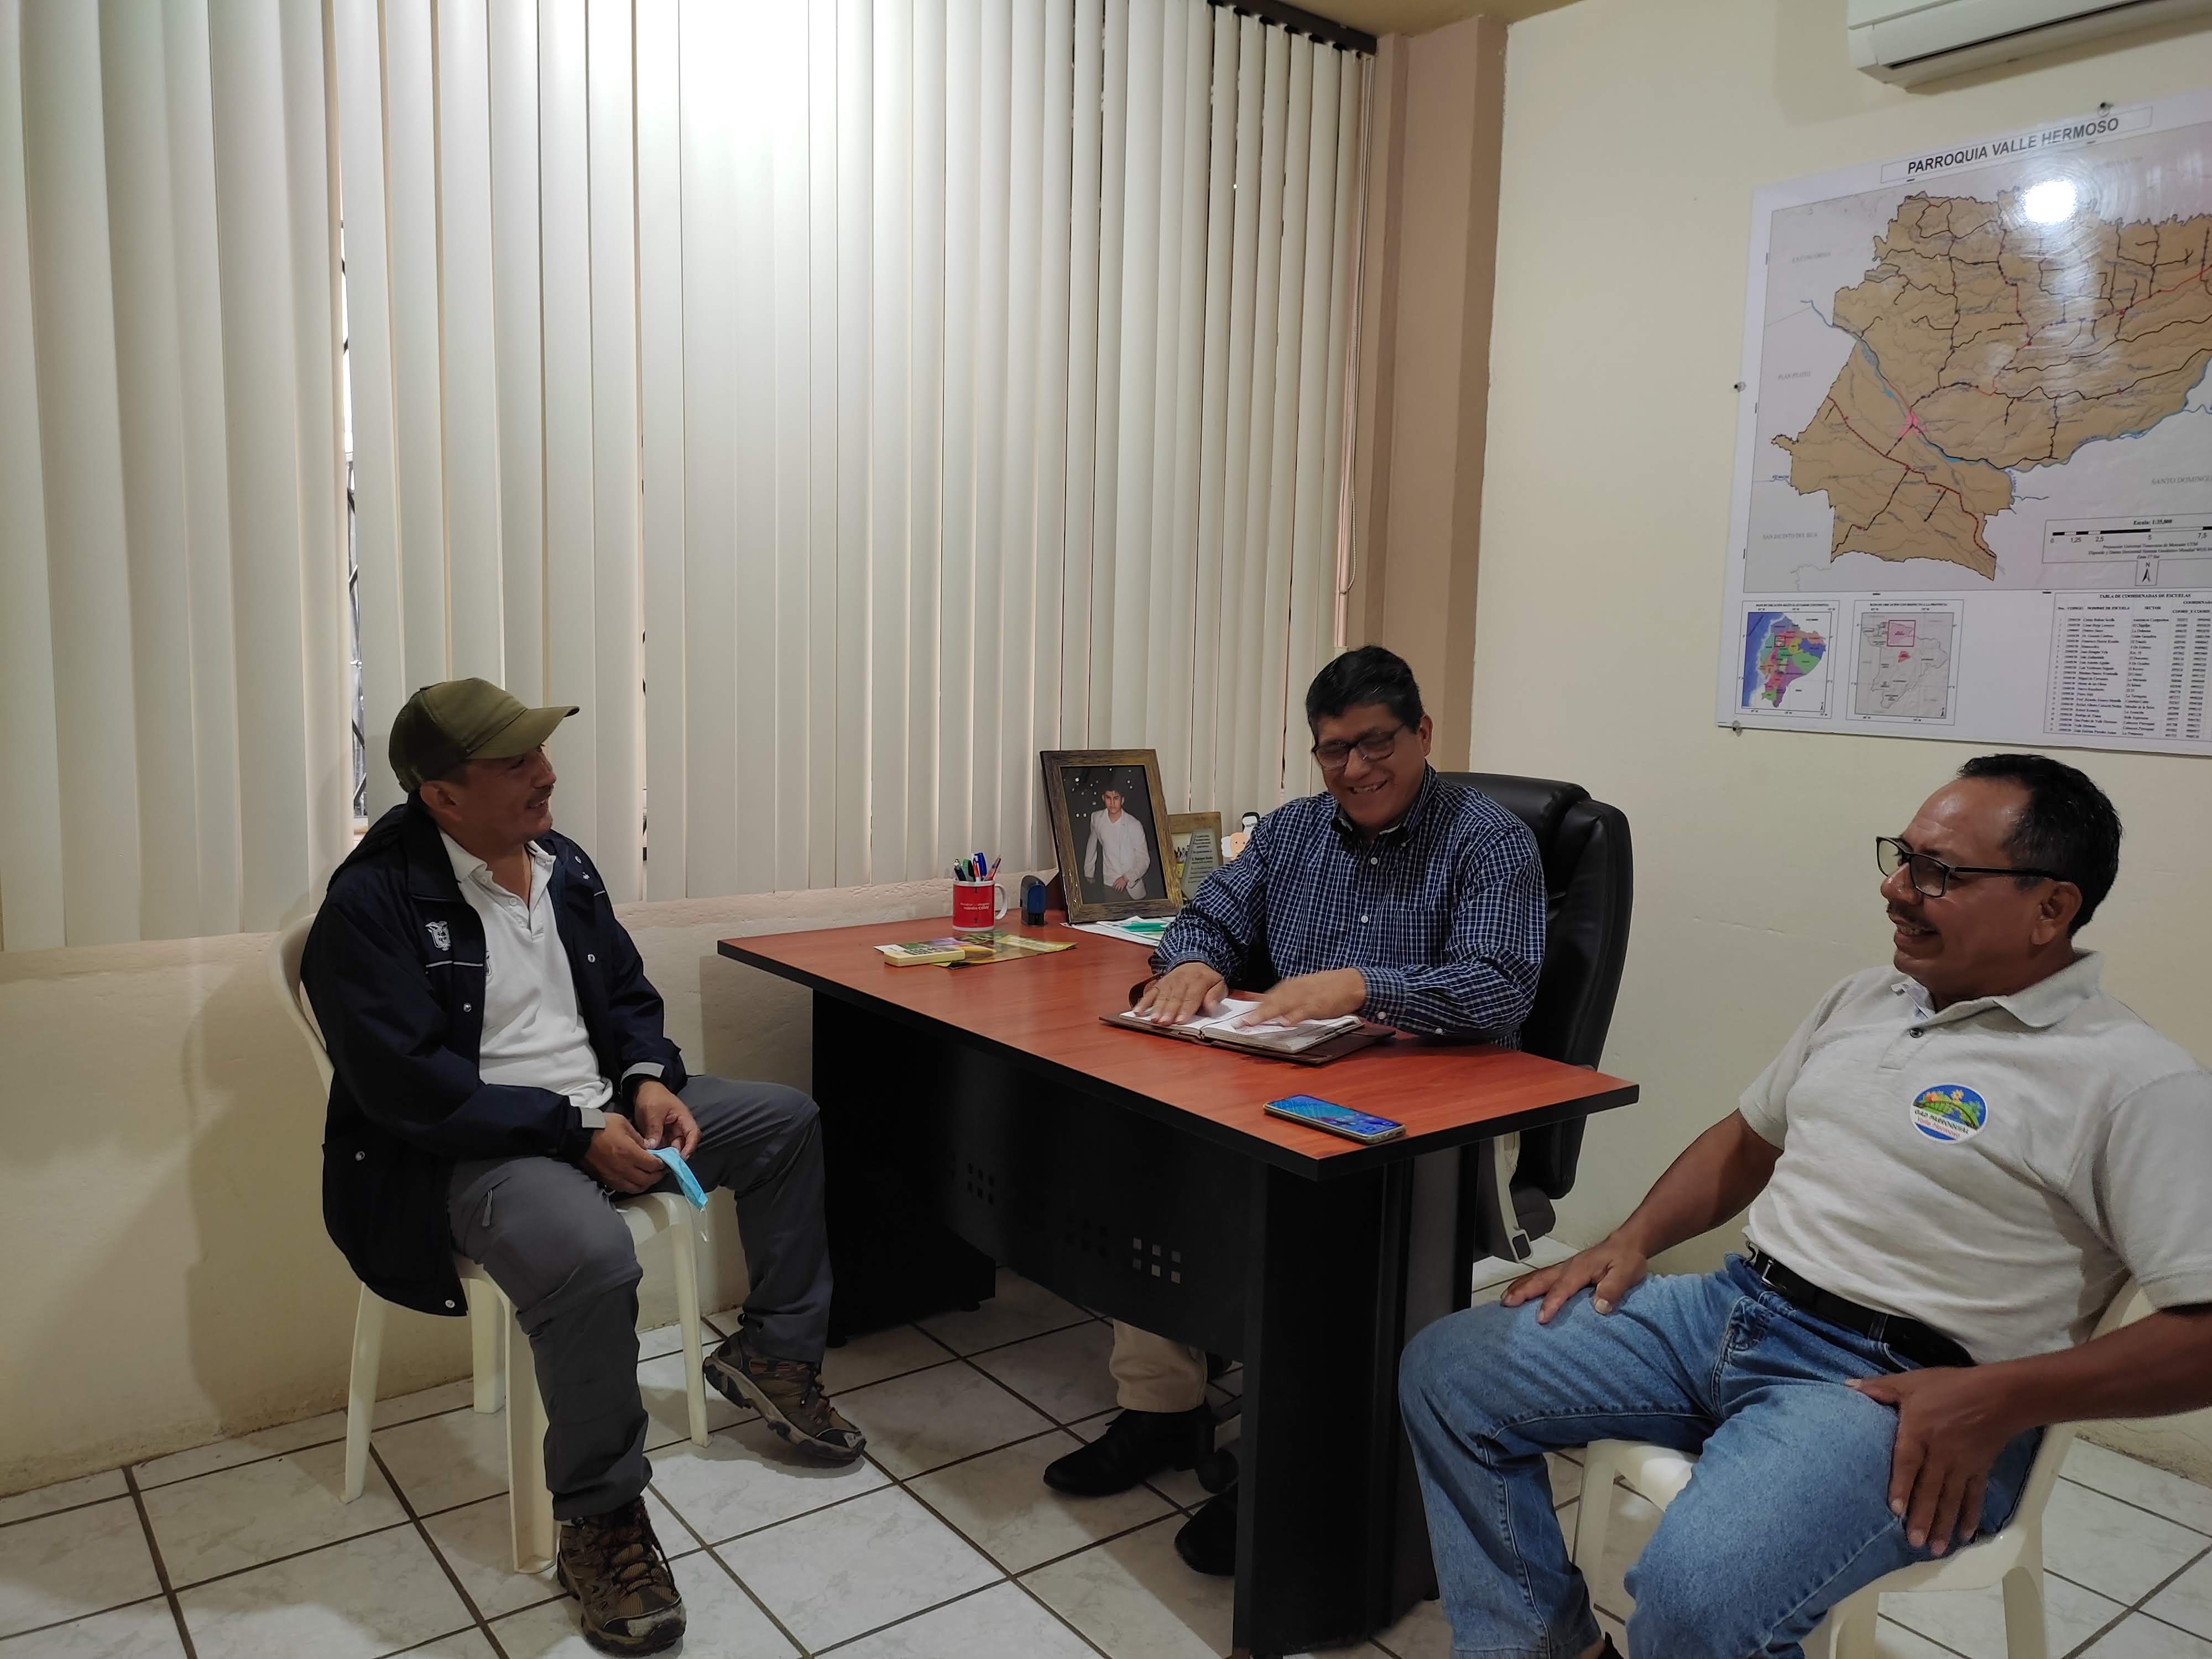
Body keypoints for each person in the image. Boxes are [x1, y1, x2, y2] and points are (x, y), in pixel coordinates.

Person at [1399, 754, 2212, 1659]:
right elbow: (1750, 1139)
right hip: (1734, 1308)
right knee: (1452, 1369)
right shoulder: (1867, 998)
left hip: (1900, 1390)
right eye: (1902, 857)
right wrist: (1633, 1240)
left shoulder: (2134, 1081)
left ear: (2051, 908)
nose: (1895, 889)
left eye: (1939, 873)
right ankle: (1544, 1646)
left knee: (1695, 1597)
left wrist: (1998, 1399)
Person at [303, 679, 866, 1657]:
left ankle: (773, 1356)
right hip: (480, 1148)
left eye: (540, 753)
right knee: (593, 1259)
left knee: (786, 1121)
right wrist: (573, 1130)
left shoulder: (561, 863)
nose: (547, 773)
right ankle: (601, 1519)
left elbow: (629, 995)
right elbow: (412, 1090)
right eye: (515, 762)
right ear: (442, 796)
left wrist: (646, 1079)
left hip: (598, 1112)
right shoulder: (371, 904)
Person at [1041, 644, 1548, 1576]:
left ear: (1423, 732)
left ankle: (1292, 1462)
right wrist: (1194, 960)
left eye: (1376, 743)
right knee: (1148, 1164)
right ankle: (1162, 1410)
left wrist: (1365, 986)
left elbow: (1500, 988)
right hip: (1293, 1084)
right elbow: (1206, 916)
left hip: (1436, 1118)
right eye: (1333, 750)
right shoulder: (1290, 832)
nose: (1355, 769)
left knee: (1306, 1232)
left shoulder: (1488, 841)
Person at [1083, 785, 1152, 899]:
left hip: (1132, 886)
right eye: (1108, 798)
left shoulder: (1134, 825)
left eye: (1116, 798)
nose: (1112, 803)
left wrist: (1127, 878)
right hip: (1109, 883)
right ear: (1103, 798)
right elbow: (1092, 844)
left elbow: (1144, 859)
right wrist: (1089, 871)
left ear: (1122, 800)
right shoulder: (1097, 818)